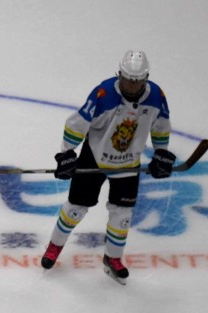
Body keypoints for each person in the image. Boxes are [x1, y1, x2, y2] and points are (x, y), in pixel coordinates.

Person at [41, 49, 175, 285]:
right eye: (126, 81)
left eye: (136, 82)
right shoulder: (104, 94)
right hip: (94, 158)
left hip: (129, 162)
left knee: (122, 215)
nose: (131, 87)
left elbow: (161, 126)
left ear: (145, 79)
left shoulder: (156, 96)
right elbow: (77, 124)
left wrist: (161, 153)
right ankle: (54, 247)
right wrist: (66, 154)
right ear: (119, 74)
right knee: (75, 210)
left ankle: (113, 258)